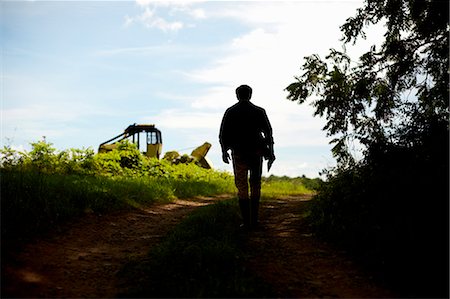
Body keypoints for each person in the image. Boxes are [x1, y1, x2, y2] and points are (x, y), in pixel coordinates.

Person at [219, 85, 275, 229]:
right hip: (256, 153)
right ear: (250, 95)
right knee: (255, 185)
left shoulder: (231, 112)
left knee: (242, 186)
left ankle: (246, 222)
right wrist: (271, 152)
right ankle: (254, 221)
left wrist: (224, 151)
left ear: (237, 95)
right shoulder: (259, 111)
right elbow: (268, 133)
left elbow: (223, 134)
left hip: (239, 153)